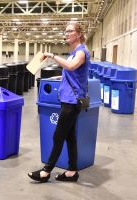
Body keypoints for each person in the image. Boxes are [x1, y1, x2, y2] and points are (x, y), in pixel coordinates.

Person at [28, 22, 89, 183]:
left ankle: (46, 172)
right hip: (66, 99)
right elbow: (71, 74)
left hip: (72, 101)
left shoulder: (81, 52)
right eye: (66, 31)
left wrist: (51, 55)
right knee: (70, 137)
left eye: (70, 31)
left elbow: (71, 66)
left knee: (58, 136)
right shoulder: (73, 52)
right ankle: (72, 171)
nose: (67, 33)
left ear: (79, 34)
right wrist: (58, 77)